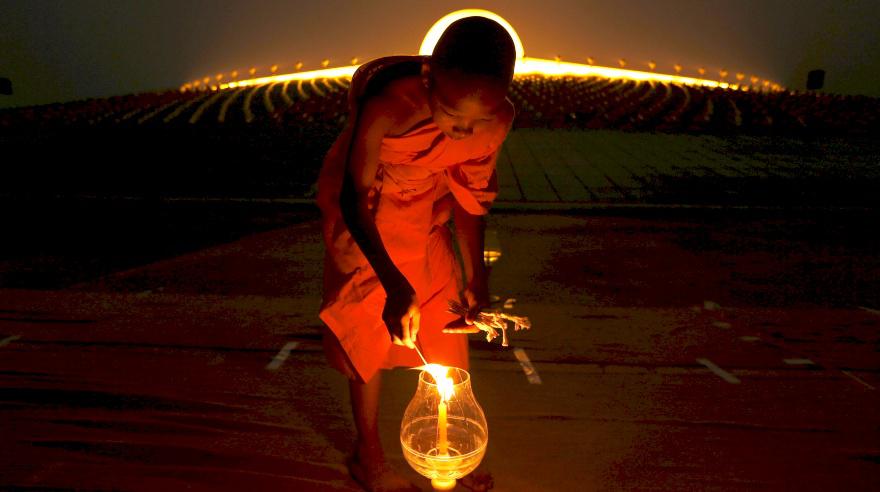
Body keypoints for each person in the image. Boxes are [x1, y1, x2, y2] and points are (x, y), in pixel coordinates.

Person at [316, 16, 516, 492]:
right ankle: (370, 455)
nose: (463, 130)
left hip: (429, 209)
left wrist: (477, 281)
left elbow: (470, 198)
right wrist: (391, 280)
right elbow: (352, 193)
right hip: (370, 215)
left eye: (479, 120)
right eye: (451, 115)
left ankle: (451, 443)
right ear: (428, 79)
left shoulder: (497, 120)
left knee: (447, 314)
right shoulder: (390, 105)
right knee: (368, 327)